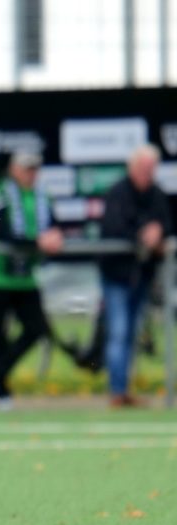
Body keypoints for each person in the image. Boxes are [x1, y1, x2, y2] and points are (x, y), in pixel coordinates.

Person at [0, 151, 64, 410]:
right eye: (26, 169)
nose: (31, 174)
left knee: (37, 329)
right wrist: (38, 242)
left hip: (25, 278)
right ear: (13, 169)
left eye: (34, 169)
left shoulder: (42, 196)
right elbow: (4, 230)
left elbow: (54, 226)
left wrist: (55, 237)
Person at [97, 144, 173, 408]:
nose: (147, 172)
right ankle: (117, 390)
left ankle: (124, 388)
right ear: (132, 167)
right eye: (143, 167)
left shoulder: (157, 194)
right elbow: (113, 227)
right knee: (118, 332)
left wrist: (159, 232)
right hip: (116, 275)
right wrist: (143, 233)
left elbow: (167, 223)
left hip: (142, 277)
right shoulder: (118, 192)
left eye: (151, 168)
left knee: (131, 334)